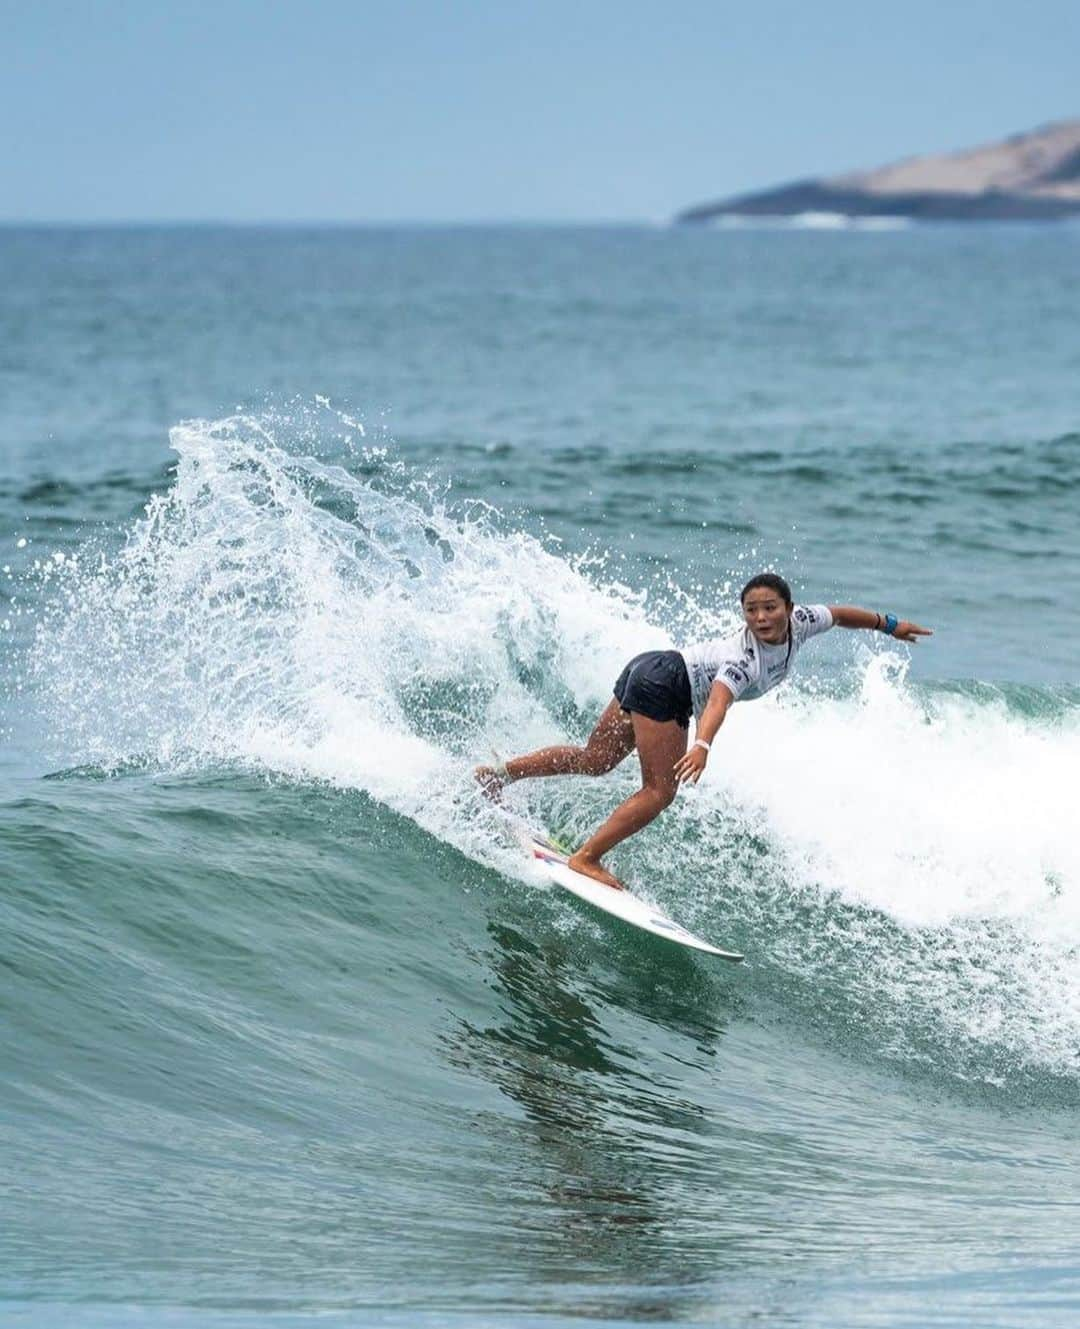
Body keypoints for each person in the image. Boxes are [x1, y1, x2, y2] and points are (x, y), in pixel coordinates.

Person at [475, 573, 932, 889]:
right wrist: (702, 744)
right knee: (659, 791)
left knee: (595, 760)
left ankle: (500, 775)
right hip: (666, 682)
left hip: (649, 664)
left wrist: (889, 626)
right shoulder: (744, 658)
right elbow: (718, 699)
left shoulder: (806, 622)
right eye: (751, 610)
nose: (760, 617)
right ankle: (586, 858)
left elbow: (841, 613)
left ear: (789, 610)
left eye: (769, 608)